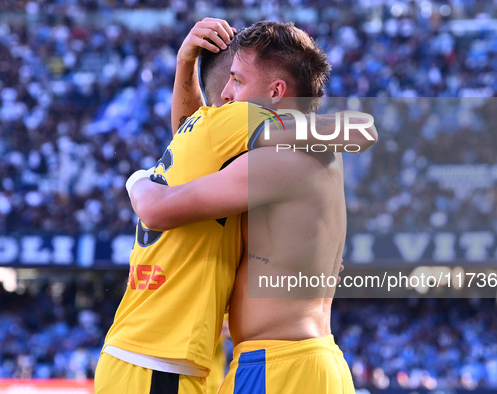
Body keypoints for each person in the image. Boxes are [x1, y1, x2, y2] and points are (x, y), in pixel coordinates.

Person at [96, 18, 374, 394]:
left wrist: (138, 181)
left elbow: (164, 199)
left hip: (279, 366)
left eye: (238, 81)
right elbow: (194, 141)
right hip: (303, 360)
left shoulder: (286, 151)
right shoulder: (300, 153)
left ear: (276, 92)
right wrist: (185, 65)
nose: (225, 93)